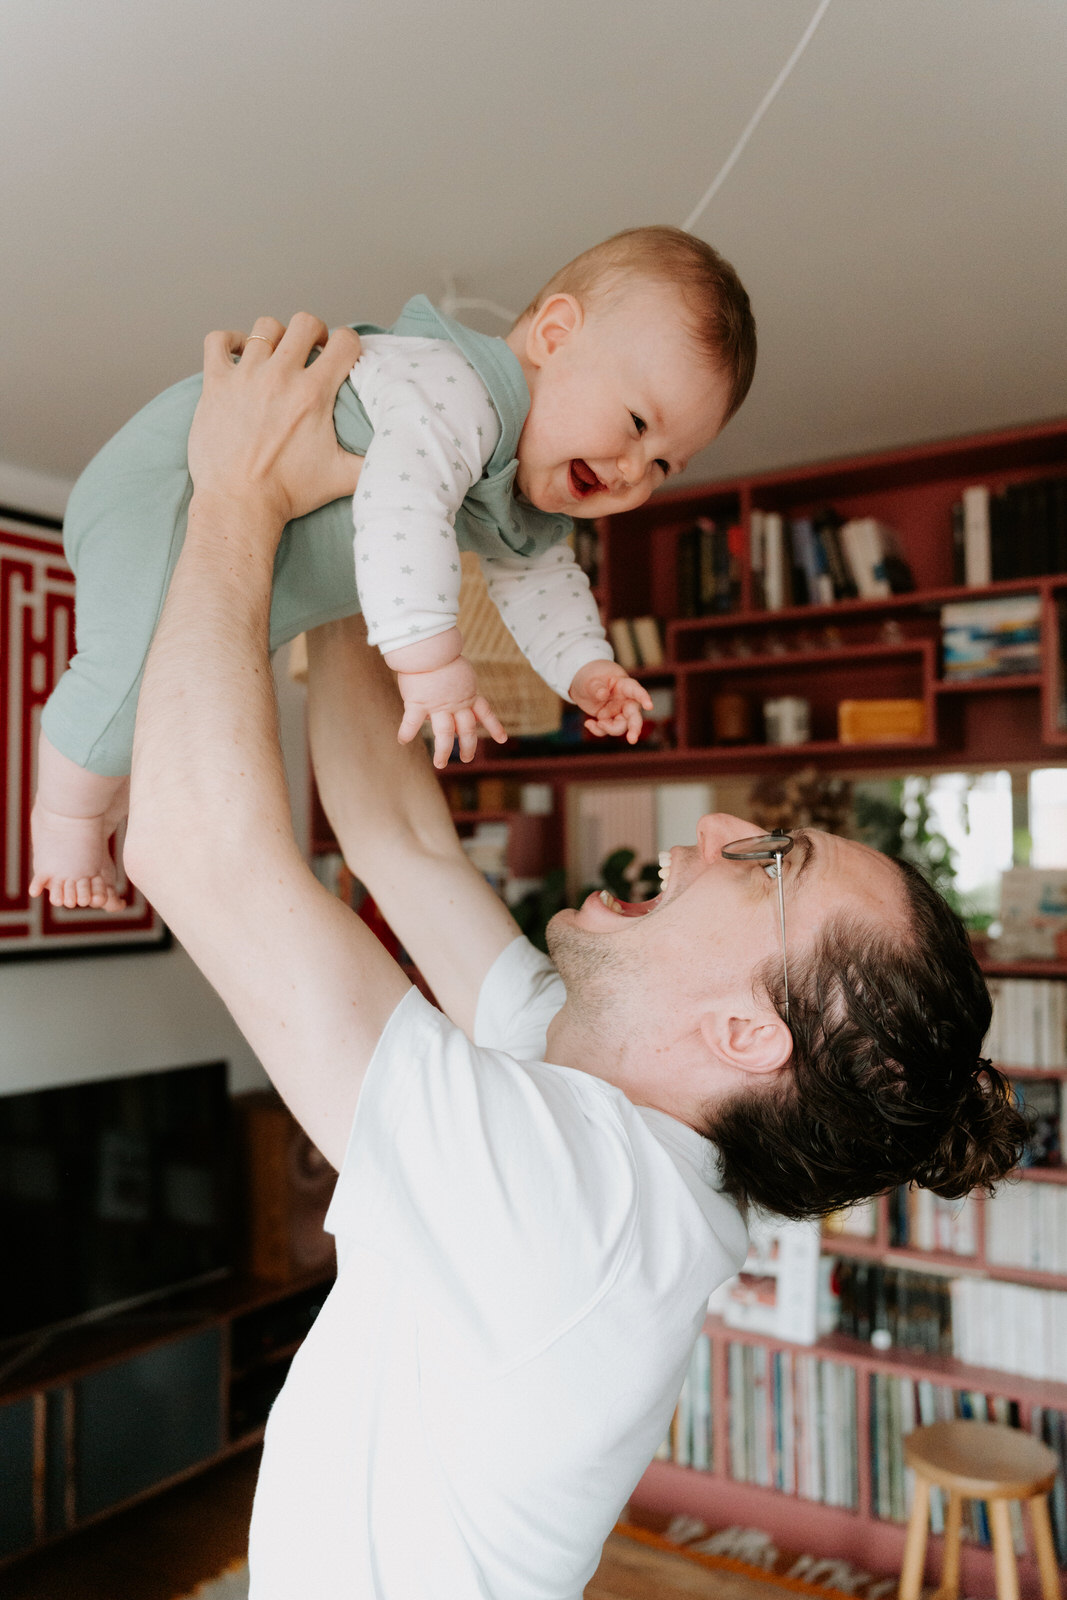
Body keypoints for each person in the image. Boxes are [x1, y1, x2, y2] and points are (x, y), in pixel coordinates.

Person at [125, 313, 1025, 1600]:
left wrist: (235, 496)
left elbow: (198, 851)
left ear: (748, 1036)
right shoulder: (601, 1088)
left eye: (769, 859)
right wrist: (379, 523)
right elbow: (397, 838)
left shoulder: (577, 1205)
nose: (717, 826)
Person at [30, 224, 756, 914]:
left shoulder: (516, 492)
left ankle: (104, 796)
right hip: (168, 491)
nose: (635, 469)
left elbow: (542, 581)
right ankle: (61, 821)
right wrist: (432, 664)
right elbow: (400, 504)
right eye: (635, 424)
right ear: (554, 336)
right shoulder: (457, 390)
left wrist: (585, 672)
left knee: (167, 707)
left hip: (249, 546)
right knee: (130, 672)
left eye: (664, 463)